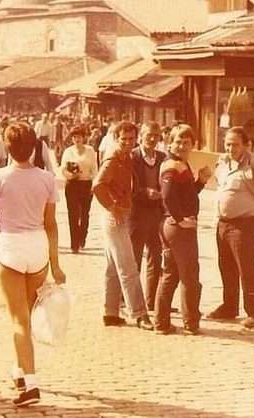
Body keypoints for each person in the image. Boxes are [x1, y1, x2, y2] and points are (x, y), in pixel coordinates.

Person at [0, 122, 66, 407]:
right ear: (34, 146)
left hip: (10, 247)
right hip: (37, 248)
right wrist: (56, 264)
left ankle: (30, 384)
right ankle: (19, 369)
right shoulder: (47, 179)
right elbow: (51, 224)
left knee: (18, 320)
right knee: (26, 316)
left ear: (7, 147)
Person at [207, 126, 254, 328]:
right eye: (227, 144)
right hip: (223, 223)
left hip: (245, 224)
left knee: (247, 268)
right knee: (226, 267)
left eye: (235, 144)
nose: (230, 148)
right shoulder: (222, 162)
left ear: (246, 145)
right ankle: (229, 307)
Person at [92, 121, 154, 331]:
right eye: (123, 139)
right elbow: (97, 186)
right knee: (128, 266)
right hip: (115, 217)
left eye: (131, 139)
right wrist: (112, 207)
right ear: (116, 138)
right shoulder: (113, 159)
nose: (128, 142)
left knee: (113, 266)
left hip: (120, 214)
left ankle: (110, 312)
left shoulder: (125, 158)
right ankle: (139, 314)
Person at [154, 124, 212, 335]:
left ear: (192, 145)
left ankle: (161, 323)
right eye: (178, 141)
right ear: (170, 143)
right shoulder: (172, 165)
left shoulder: (180, 163)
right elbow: (167, 195)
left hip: (174, 225)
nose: (181, 146)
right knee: (189, 275)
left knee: (171, 274)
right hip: (178, 227)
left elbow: (186, 195)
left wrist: (201, 182)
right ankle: (190, 322)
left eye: (186, 142)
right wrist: (180, 219)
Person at [130, 122, 166, 311]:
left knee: (155, 257)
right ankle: (132, 301)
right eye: (149, 135)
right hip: (136, 214)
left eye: (156, 135)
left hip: (157, 214)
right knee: (134, 258)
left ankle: (151, 301)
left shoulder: (162, 157)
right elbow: (126, 186)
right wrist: (145, 192)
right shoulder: (132, 157)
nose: (152, 139)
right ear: (141, 136)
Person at [60, 126, 97, 253]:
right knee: (73, 214)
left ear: (84, 137)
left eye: (79, 137)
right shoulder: (68, 151)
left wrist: (94, 184)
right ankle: (74, 244)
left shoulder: (90, 151)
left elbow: (94, 169)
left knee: (85, 214)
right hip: (72, 184)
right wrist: (70, 175)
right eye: (74, 137)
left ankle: (82, 237)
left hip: (86, 184)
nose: (77, 139)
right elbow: (63, 169)